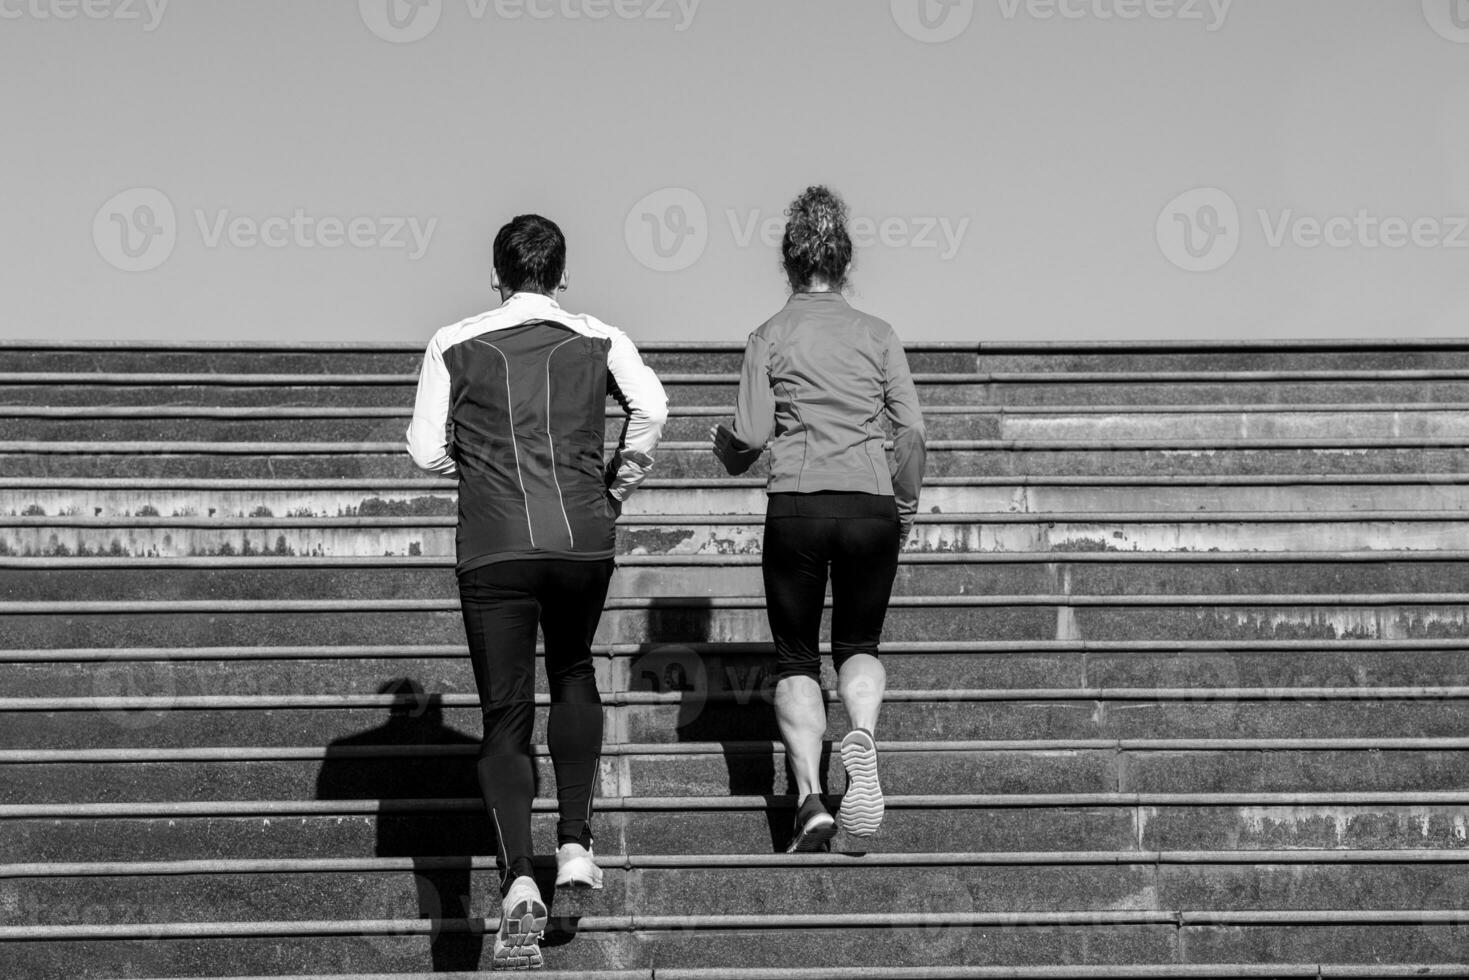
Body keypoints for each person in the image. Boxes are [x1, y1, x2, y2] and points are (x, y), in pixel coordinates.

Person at [406, 214, 668, 968]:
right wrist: (615, 482)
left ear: (496, 275)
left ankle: (520, 878)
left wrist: (482, 468)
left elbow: (424, 449)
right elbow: (651, 411)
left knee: (505, 712)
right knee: (575, 668)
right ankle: (578, 844)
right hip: (584, 535)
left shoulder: (453, 341)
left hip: (493, 542)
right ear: (561, 274)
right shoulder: (601, 336)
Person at [711, 186, 926, 852]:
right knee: (859, 645)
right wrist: (905, 507)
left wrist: (726, 450)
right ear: (845, 260)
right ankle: (859, 730)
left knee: (797, 659)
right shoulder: (877, 334)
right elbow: (911, 434)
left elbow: (748, 437)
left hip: (799, 506)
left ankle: (809, 799)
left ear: (787, 262)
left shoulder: (770, 335)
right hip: (869, 504)